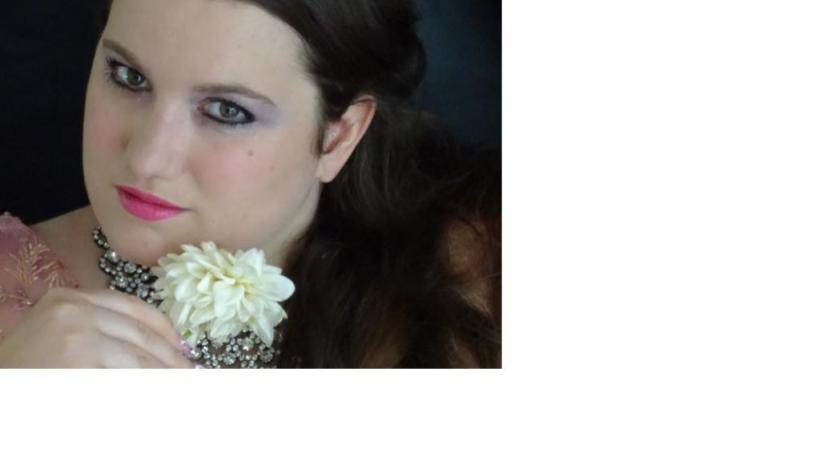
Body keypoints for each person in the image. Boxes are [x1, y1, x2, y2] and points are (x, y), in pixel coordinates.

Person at [0, 0, 500, 368]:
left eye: (226, 111)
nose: (147, 159)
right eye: (129, 77)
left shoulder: (473, 281)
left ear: (338, 136)